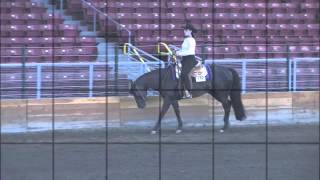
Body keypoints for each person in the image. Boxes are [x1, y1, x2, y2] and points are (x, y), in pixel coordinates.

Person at [175, 22, 198, 98]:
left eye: (186, 30)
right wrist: (178, 52)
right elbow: (184, 50)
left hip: (190, 60)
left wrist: (179, 53)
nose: (184, 31)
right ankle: (183, 92)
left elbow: (190, 52)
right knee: (180, 74)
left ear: (190, 31)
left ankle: (189, 93)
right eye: (184, 30)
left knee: (185, 74)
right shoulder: (186, 39)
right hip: (185, 60)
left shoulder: (191, 40)